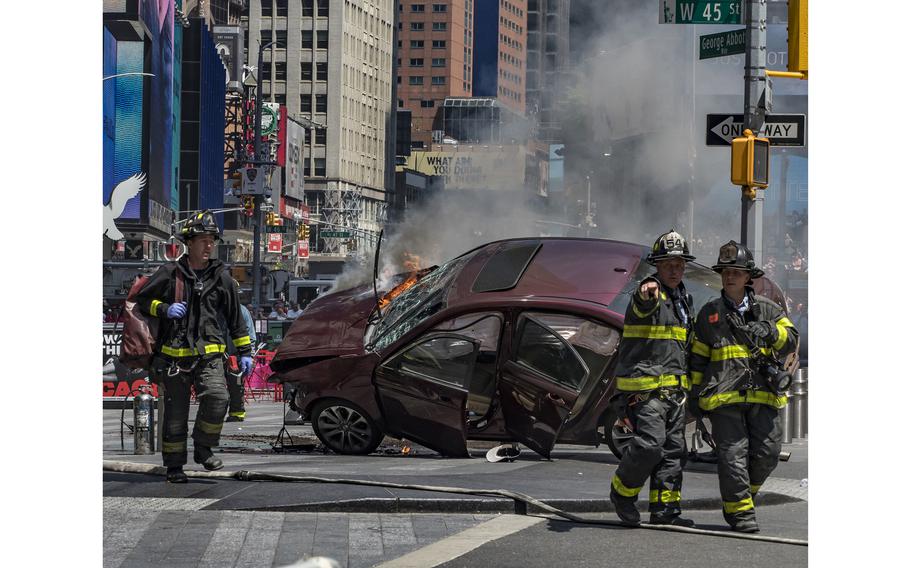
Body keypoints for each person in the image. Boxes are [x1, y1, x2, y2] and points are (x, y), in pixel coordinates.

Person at [134, 211, 253, 483]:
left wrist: (245, 352)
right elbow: (142, 301)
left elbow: (235, 317)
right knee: (175, 415)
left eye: (212, 239)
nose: (209, 245)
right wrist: (164, 308)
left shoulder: (221, 277)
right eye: (202, 239)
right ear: (189, 242)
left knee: (218, 399)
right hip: (174, 359)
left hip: (209, 355)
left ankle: (203, 448)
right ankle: (175, 467)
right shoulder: (169, 273)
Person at [689, 241, 798, 533]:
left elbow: (792, 340)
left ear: (749, 276)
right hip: (723, 397)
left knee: (767, 454)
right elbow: (698, 358)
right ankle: (741, 515)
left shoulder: (768, 308)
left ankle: (741, 499)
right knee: (732, 456)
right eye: (725, 272)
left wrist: (771, 331)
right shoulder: (709, 313)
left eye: (736, 272)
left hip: (764, 395)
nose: (730, 277)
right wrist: (695, 395)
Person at [609, 229, 696, 527]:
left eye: (680, 263)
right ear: (656, 265)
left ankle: (666, 512)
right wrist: (646, 294)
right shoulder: (648, 291)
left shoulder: (684, 300)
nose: (675, 269)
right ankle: (622, 493)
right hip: (646, 390)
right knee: (650, 445)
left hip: (674, 392)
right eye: (668, 263)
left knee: (673, 453)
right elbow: (642, 303)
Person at [224, 286, 257, 422]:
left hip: (236, 356)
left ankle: (237, 413)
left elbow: (250, 335)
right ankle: (216, 413)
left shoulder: (242, 311)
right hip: (218, 355)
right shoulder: (217, 310)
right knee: (216, 387)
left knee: (236, 386)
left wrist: (248, 355)